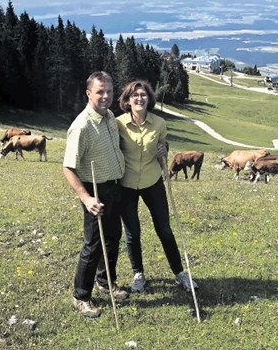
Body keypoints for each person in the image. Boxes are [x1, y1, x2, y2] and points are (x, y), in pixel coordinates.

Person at [115, 80, 198, 293]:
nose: (140, 98)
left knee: (164, 229)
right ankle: (138, 274)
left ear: (149, 99)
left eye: (143, 95)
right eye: (135, 95)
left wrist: (165, 149)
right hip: (126, 184)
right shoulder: (117, 124)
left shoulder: (159, 123)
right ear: (127, 100)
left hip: (153, 182)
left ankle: (180, 273)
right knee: (132, 233)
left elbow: (164, 145)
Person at [63, 71, 129, 318]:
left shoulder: (111, 116)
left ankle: (106, 282)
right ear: (88, 93)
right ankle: (80, 296)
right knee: (93, 244)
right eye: (100, 91)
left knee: (112, 237)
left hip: (114, 186)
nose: (105, 96)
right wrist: (86, 198)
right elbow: (68, 167)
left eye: (109, 91)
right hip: (94, 190)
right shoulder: (81, 126)